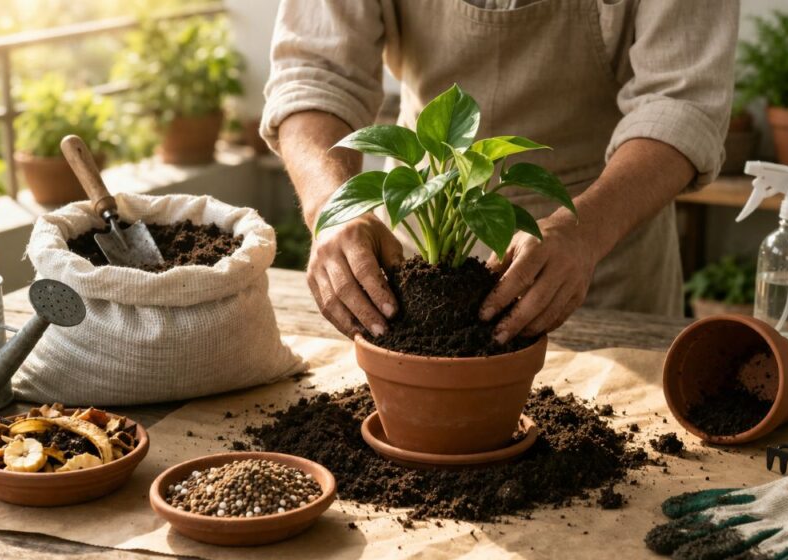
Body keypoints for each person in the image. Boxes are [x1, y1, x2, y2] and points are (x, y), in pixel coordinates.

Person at [261, 0, 738, 343]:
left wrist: (585, 232)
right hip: (413, 253)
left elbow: (681, 102)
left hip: (601, 251)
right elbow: (315, 72)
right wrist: (334, 209)